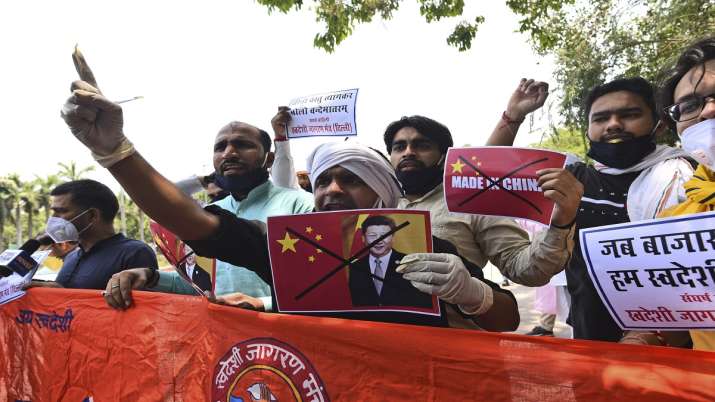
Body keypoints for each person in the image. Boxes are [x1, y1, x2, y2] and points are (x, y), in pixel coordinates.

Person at [59, 70, 519, 329]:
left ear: (383, 194)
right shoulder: (286, 245)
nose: (332, 190)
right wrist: (114, 152)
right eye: (323, 182)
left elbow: (507, 318)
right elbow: (189, 220)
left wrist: (472, 294)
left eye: (351, 180)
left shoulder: (430, 249)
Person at [486, 77, 695, 341]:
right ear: (588, 131)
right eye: (600, 119)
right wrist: (513, 116)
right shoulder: (570, 178)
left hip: (683, 342)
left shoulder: (691, 174)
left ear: (660, 126)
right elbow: (485, 174)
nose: (614, 125)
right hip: (593, 340)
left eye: (630, 115)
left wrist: (658, 334)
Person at [384, 115, 582, 287]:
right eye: (399, 147)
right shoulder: (379, 203)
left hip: (453, 328)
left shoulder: (471, 202)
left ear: (442, 156)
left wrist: (560, 223)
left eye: (422, 145)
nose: (408, 152)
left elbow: (527, 270)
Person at [621, 36, 715, 350]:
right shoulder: (676, 223)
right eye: (690, 105)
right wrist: (644, 339)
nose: (709, 111)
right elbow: (677, 320)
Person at [29, 180, 158, 290]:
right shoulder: (71, 257)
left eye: (61, 211)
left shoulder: (134, 253)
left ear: (92, 215)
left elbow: (143, 309)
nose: (53, 219)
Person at [349, 215, 432, 308]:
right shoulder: (354, 267)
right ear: (363, 238)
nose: (378, 241)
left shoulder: (409, 262)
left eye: (384, 236)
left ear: (393, 238)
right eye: (372, 235)